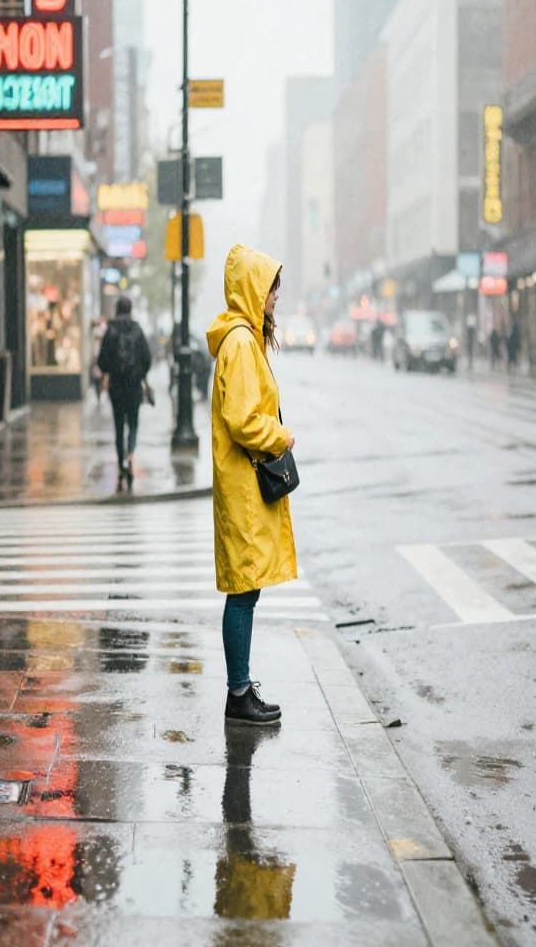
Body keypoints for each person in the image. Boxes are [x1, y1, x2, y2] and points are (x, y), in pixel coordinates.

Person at [206, 244, 297, 726]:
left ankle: (240, 689)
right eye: (270, 287)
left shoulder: (243, 340)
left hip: (244, 483)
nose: (275, 296)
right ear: (252, 290)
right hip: (244, 484)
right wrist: (281, 435)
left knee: (247, 588)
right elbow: (243, 419)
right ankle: (239, 694)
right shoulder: (241, 343)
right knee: (243, 590)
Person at [96, 296, 152, 492]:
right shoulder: (137, 331)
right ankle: (130, 454)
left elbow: (102, 361)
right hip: (134, 386)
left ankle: (121, 463)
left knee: (119, 426)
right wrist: (139, 373)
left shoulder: (110, 332)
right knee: (134, 423)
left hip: (117, 387)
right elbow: (147, 358)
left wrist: (111, 371)